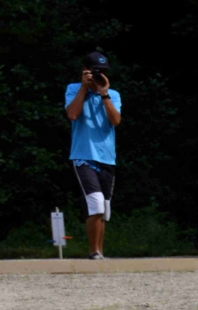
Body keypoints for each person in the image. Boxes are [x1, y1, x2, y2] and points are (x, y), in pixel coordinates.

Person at [65, 51, 122, 260]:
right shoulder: (73, 89)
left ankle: (99, 252)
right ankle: (93, 251)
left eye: (103, 71)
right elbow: (72, 114)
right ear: (85, 71)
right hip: (83, 155)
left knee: (104, 210)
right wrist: (84, 87)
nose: (100, 75)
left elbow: (115, 121)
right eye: (96, 71)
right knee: (95, 203)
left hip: (107, 157)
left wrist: (104, 94)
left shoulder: (113, 94)